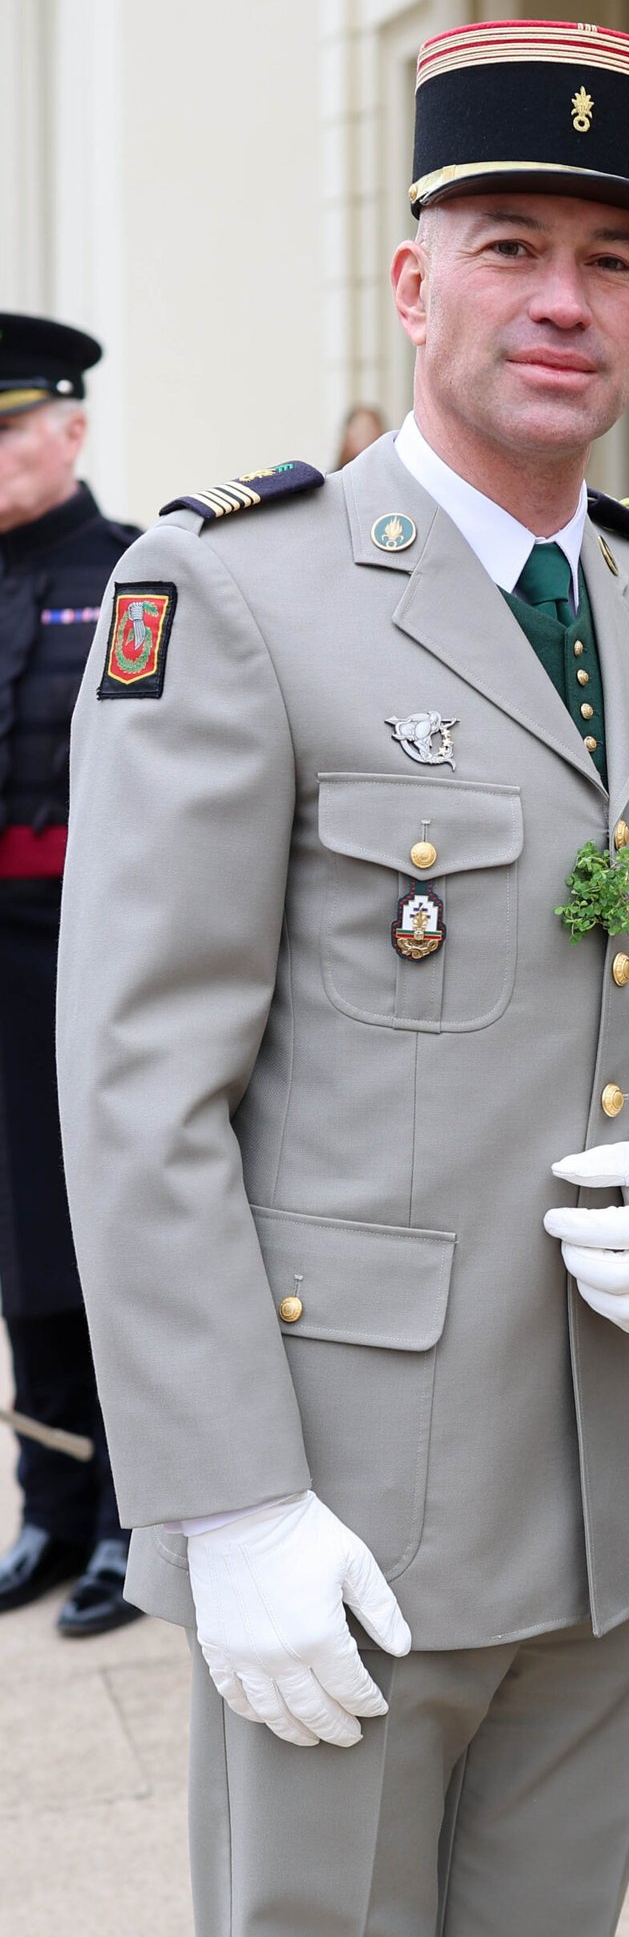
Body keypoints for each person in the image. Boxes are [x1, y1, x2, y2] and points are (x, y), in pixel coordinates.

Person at [57, 18, 629, 1936]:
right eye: (511, 244)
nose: (567, 300)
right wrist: (225, 1504)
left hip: (616, 1500)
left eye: (614, 256)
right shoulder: (233, 591)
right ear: (413, 279)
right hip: (346, 1510)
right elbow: (141, 1085)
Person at [0, 313, 141, 1637]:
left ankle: (126, 1516)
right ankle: (47, 1499)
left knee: (107, 1244)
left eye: (6, 426)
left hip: (90, 967)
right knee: (19, 1255)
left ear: (71, 428)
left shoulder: (139, 575)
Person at [335, 402, 387, 468]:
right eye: (360, 430)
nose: (365, 437)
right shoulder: (337, 475)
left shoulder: (387, 469)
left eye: (369, 430)